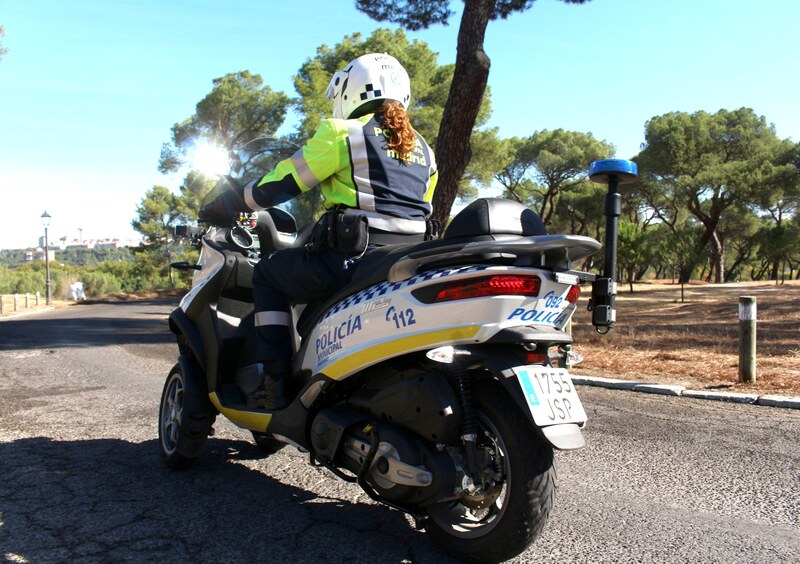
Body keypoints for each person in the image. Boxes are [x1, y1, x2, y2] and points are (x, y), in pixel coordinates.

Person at [201, 53, 438, 410]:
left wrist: (236, 201)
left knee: (268, 275)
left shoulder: (344, 133)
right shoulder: (426, 152)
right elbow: (420, 207)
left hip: (351, 262)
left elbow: (284, 182)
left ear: (351, 91)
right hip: (405, 266)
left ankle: (274, 380)